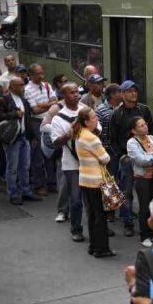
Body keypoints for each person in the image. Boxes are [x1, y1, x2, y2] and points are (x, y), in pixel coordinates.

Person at [109, 80, 153, 237]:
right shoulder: (117, 113)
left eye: (135, 90)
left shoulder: (144, 110)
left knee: (147, 191)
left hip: (146, 159)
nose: (134, 93)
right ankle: (127, 220)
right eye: (129, 91)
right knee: (126, 191)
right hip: (128, 160)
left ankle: (149, 222)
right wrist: (121, 156)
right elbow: (112, 139)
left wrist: (152, 154)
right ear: (122, 94)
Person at [73, 106, 115, 258]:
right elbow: (105, 158)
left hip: (85, 179)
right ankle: (102, 248)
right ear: (86, 121)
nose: (96, 119)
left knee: (91, 214)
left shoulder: (79, 134)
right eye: (94, 117)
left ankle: (93, 245)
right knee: (101, 216)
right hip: (97, 181)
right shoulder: (91, 138)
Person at [51, 83, 89, 242]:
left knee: (94, 198)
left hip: (89, 161)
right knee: (75, 199)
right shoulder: (58, 118)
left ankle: (99, 226)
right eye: (72, 93)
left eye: (77, 92)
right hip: (71, 164)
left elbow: (98, 130)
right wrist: (70, 133)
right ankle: (76, 229)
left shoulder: (85, 110)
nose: (76, 95)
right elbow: (56, 142)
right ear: (64, 96)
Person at [0, 76, 42, 204]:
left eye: (23, 85)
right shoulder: (5, 99)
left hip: (24, 136)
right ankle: (13, 193)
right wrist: (13, 114)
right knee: (12, 167)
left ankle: (25, 191)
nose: (23, 88)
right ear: (12, 86)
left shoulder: (23, 100)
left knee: (25, 165)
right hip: (12, 138)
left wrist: (32, 136)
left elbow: (27, 119)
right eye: (20, 85)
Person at [127, 116, 153, 248]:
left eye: (145, 124)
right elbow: (140, 160)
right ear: (134, 130)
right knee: (144, 207)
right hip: (142, 178)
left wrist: (152, 157)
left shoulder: (152, 138)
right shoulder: (132, 143)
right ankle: (145, 235)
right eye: (141, 126)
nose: (145, 127)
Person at [24, 64, 59, 195]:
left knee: (50, 151)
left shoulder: (47, 86)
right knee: (38, 154)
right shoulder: (27, 89)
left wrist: (44, 105)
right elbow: (35, 110)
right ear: (31, 75)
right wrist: (49, 105)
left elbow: (55, 101)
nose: (41, 76)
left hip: (49, 120)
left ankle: (51, 183)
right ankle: (38, 185)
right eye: (38, 73)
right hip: (36, 122)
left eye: (42, 73)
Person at [96, 84, 122, 178]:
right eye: (119, 92)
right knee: (109, 176)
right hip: (107, 149)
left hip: (119, 149)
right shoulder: (101, 110)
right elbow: (97, 130)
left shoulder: (121, 108)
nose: (122, 94)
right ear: (112, 95)